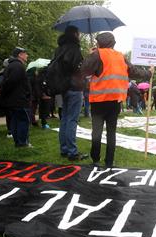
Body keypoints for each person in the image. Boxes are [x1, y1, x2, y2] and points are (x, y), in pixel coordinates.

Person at [81, 32, 154, 168]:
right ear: (113, 43)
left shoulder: (97, 55)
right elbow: (135, 72)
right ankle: (109, 162)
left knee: (96, 132)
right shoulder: (121, 57)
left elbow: (83, 71)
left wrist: (89, 55)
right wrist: (149, 73)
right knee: (111, 132)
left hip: (98, 101)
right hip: (115, 101)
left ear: (99, 43)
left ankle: (95, 159)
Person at [54, 25, 87, 161]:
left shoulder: (59, 49)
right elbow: (77, 68)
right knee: (72, 119)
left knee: (65, 119)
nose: (79, 35)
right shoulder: (74, 48)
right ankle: (72, 152)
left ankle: (64, 149)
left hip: (63, 87)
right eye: (78, 33)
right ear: (74, 34)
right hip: (74, 87)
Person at [0, 47, 32, 147]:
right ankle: (22, 143)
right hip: (19, 100)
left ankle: (18, 142)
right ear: (20, 55)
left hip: (14, 100)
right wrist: (25, 94)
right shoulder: (18, 66)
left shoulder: (12, 65)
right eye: (25, 53)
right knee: (23, 121)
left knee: (16, 121)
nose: (27, 55)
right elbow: (11, 82)